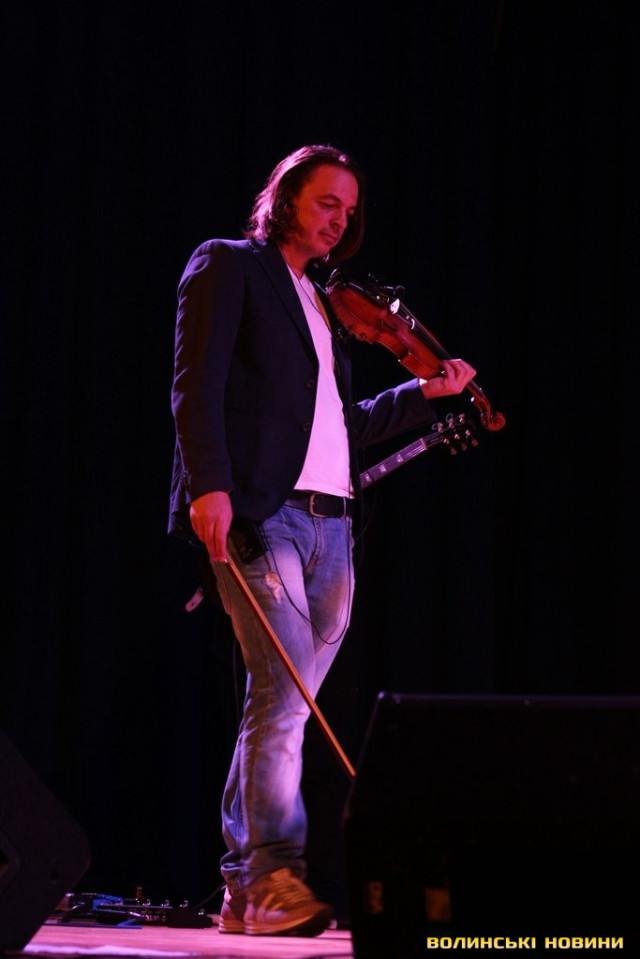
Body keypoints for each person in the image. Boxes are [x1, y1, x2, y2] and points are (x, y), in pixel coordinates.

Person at [168, 144, 476, 937]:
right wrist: (207, 484)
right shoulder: (230, 264)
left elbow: (346, 425)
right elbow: (195, 383)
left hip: (333, 525)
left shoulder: (322, 305)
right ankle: (266, 879)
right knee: (280, 694)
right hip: (260, 512)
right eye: (326, 202)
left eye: (349, 209)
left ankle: (246, 888)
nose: (340, 220)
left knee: (282, 707)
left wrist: (426, 391)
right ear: (285, 198)